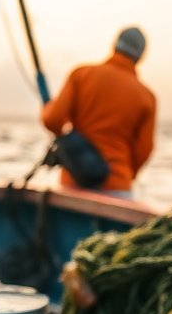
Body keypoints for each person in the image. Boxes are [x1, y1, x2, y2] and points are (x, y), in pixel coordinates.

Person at [41, 26, 156, 198]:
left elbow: (53, 121)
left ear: (115, 46)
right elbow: (144, 150)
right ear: (140, 57)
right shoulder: (147, 97)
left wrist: (48, 107)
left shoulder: (81, 75)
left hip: (74, 181)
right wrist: (123, 175)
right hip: (118, 187)